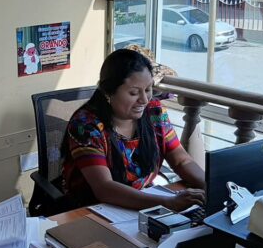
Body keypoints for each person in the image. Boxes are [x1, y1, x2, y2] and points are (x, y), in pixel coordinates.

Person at [61, 48, 206, 211]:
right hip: (92, 211)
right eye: (133, 93)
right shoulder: (86, 126)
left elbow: (181, 160)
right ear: (108, 91)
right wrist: (167, 203)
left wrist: (209, 186)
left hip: (143, 203)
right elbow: (104, 188)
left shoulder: (154, 112)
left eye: (148, 89)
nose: (144, 100)